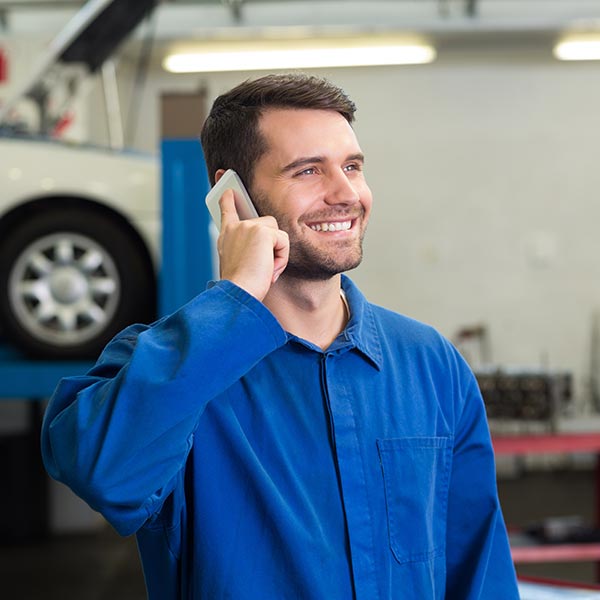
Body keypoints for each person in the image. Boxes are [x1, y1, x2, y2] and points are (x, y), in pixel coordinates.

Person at [41, 73, 519, 599]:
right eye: (308, 170)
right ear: (234, 197)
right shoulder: (166, 366)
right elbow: (104, 473)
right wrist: (236, 300)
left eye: (353, 167)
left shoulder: (429, 363)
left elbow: (480, 569)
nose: (346, 194)